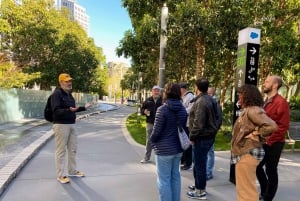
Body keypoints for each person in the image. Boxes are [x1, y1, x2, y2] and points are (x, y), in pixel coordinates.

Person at [231, 84, 278, 201]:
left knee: (246, 190)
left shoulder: (253, 110)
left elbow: (272, 126)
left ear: (247, 96)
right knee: (245, 188)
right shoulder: (249, 110)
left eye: (240, 95)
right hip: (245, 152)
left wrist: (255, 134)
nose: (239, 98)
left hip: (247, 152)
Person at [51, 73, 92, 184]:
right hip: (61, 125)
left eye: (70, 81)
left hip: (72, 124)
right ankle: (60, 175)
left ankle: (72, 171)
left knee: (73, 149)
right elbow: (56, 111)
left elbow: (73, 109)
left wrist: (84, 107)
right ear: (61, 82)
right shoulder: (57, 94)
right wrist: (69, 110)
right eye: (66, 81)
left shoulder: (69, 94)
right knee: (61, 151)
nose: (69, 83)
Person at [150, 83, 188, 201]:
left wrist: (152, 142)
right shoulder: (183, 110)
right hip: (178, 150)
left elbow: (156, 132)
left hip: (164, 150)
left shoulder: (162, 109)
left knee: (164, 180)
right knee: (175, 177)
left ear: (166, 93)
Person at [256, 75, 290, 201]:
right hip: (264, 141)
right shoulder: (267, 100)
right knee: (257, 167)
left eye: (267, 81)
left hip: (274, 143)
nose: (264, 83)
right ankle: (265, 190)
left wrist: (269, 140)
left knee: (271, 170)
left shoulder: (281, 102)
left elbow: (283, 126)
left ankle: (268, 197)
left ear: (275, 85)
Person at [186, 78, 219, 200]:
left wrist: (192, 136)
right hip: (207, 136)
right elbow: (218, 119)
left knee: (199, 165)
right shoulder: (210, 99)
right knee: (199, 164)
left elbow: (198, 123)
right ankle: (198, 186)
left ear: (197, 87)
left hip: (201, 138)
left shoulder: (202, 102)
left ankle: (200, 191)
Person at [140, 85, 163, 163]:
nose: (156, 92)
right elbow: (142, 109)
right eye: (155, 90)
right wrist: (144, 112)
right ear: (152, 91)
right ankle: (147, 157)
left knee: (160, 141)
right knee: (149, 141)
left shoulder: (163, 100)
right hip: (150, 123)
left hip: (160, 124)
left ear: (160, 92)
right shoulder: (148, 100)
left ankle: (160, 159)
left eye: (158, 90)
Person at [206, 87, 222, 180]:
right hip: (207, 131)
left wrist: (214, 130)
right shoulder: (210, 103)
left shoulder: (215, 104)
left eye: (207, 93)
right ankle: (207, 172)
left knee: (210, 152)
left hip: (210, 132)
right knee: (208, 152)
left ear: (211, 94)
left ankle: (208, 172)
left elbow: (219, 119)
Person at [179, 82, 194, 170]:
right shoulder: (183, 97)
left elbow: (191, 109)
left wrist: (182, 111)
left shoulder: (190, 96)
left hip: (188, 123)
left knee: (188, 144)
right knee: (184, 142)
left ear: (183, 89)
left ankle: (188, 163)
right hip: (184, 123)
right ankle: (184, 160)